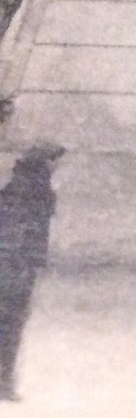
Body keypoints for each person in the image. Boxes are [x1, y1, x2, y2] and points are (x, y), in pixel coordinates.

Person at [0, 141, 64, 402]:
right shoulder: (36, 193)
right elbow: (25, 235)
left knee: (9, 326)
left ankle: (4, 381)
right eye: (55, 162)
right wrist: (29, 263)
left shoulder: (14, 190)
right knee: (10, 327)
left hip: (15, 267)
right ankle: (3, 382)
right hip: (15, 270)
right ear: (46, 164)